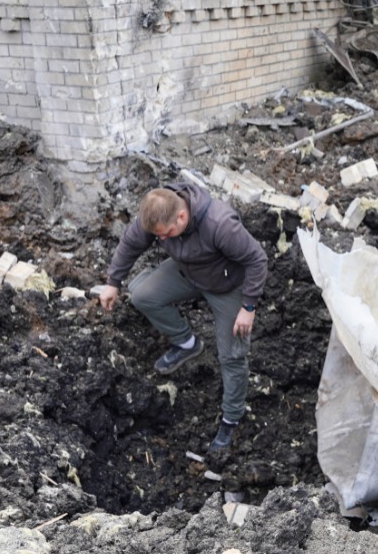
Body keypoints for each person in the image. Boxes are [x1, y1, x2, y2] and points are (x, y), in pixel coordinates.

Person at [100, 184, 268, 451]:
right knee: (143, 295)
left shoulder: (220, 224)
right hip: (189, 273)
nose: (163, 240)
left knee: (231, 355)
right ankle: (187, 343)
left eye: (167, 234)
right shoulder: (157, 214)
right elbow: (131, 243)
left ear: (181, 217)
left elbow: (257, 260)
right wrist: (113, 282)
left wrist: (248, 308)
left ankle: (231, 418)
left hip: (228, 286)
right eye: (159, 237)